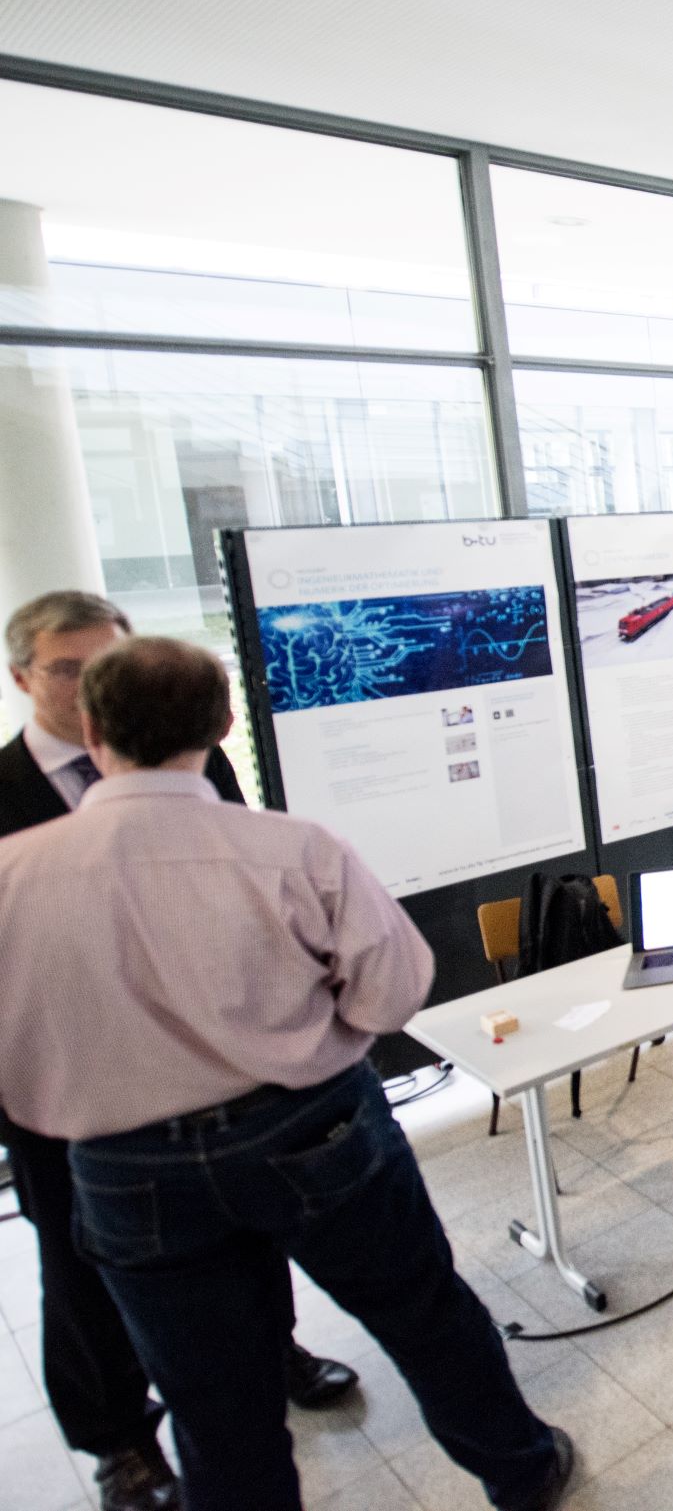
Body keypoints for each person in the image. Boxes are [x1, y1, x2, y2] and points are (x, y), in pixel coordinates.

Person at [0, 637, 572, 1511]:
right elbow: (394, 991)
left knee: (212, 1398)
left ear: (89, 727)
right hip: (311, 1132)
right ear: (226, 724)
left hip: (125, 1170)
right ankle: (521, 1469)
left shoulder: (14, 872)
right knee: (424, 1315)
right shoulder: (294, 849)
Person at [0, 592, 359, 1511]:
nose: (97, 687)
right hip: (84, 1103)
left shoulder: (194, 761)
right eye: (71, 670)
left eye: (111, 664)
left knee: (247, 1231)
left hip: (221, 1079)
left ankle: (272, 1351)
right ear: (21, 677)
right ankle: (118, 1437)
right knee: (80, 1276)